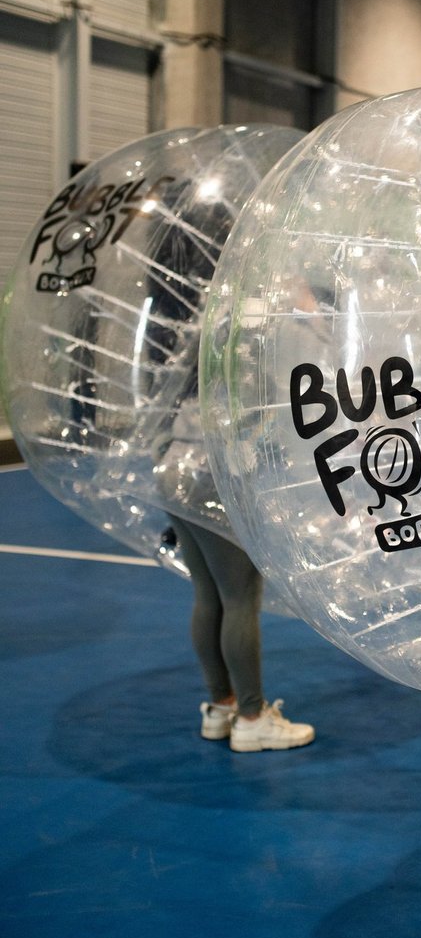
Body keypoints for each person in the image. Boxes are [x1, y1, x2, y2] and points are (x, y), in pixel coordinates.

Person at [151, 196, 314, 753]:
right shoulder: (250, 315)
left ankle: (221, 706)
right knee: (241, 596)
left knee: (208, 593)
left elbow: (166, 395)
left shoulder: (192, 314)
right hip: (220, 470)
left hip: (174, 463)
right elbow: (275, 401)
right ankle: (251, 717)